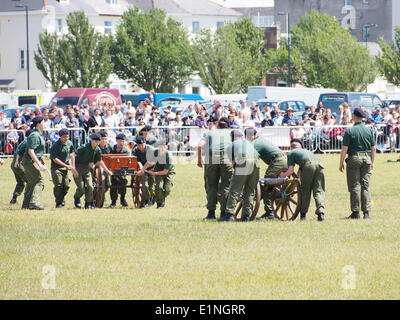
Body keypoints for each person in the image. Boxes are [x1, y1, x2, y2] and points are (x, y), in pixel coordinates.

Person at [339, 108, 376, 219]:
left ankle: (355, 212)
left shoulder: (350, 131)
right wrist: (372, 162)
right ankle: (366, 212)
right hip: (367, 159)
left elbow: (344, 149)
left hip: (354, 158)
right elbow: (373, 148)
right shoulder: (369, 130)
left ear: (354, 117)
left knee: (355, 185)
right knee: (365, 186)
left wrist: (341, 163)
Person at [245, 128, 288, 220]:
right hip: (284, 159)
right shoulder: (260, 140)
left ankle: (270, 212)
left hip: (277, 161)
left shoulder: (254, 143)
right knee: (274, 183)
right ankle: (276, 200)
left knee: (266, 184)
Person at [197, 117, 233, 220]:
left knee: (211, 185)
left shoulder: (209, 133)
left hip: (212, 158)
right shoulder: (231, 133)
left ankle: (211, 213)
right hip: (227, 158)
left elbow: (199, 146)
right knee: (226, 186)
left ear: (217, 125)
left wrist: (199, 160)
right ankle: (224, 214)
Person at [280, 139, 326, 221]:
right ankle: (321, 214)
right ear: (300, 147)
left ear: (291, 147)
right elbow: (299, 172)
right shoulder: (306, 151)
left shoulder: (291, 153)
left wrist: (283, 175)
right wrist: (295, 184)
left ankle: (303, 215)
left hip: (308, 165)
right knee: (318, 190)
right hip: (319, 165)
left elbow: (290, 171)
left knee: (305, 190)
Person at [222, 130, 260, 222]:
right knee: (250, 190)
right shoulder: (248, 143)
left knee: (235, 189)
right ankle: (246, 216)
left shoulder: (230, 146)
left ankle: (229, 215)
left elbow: (233, 163)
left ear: (232, 138)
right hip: (256, 162)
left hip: (243, 161)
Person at [71, 133, 112, 209]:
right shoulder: (84, 147)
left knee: (90, 186)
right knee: (81, 188)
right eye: (95, 142)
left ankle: (88, 203)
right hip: (78, 167)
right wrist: (73, 168)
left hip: (86, 168)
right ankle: (76, 198)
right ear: (91, 140)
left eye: (98, 142)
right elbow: (72, 155)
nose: (97, 143)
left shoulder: (98, 149)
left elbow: (100, 161)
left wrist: (107, 171)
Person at [21, 117, 47, 210]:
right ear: (38, 124)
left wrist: (41, 161)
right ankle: (34, 203)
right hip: (28, 161)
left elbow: (37, 151)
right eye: (43, 122)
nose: (44, 124)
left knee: (32, 182)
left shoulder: (38, 134)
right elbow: (31, 151)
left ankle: (26, 204)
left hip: (29, 161)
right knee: (40, 181)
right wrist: (39, 165)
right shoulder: (35, 135)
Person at [144, 139, 175, 209]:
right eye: (160, 147)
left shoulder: (169, 156)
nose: (162, 148)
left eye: (163, 146)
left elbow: (165, 171)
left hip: (169, 172)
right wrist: (143, 169)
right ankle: (160, 203)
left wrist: (154, 173)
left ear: (166, 147)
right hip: (158, 169)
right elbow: (150, 162)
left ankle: (157, 196)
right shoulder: (155, 152)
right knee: (159, 187)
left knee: (167, 189)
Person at [49, 128, 75, 208]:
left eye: (67, 136)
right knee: (59, 185)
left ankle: (61, 197)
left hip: (65, 168)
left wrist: (71, 164)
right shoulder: (55, 146)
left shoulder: (69, 143)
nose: (66, 138)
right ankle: (58, 202)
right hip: (56, 168)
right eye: (64, 137)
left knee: (66, 186)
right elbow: (55, 159)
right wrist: (66, 165)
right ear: (60, 137)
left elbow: (71, 154)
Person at [10, 129, 32, 204]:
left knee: (20, 183)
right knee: (30, 181)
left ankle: (14, 199)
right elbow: (18, 153)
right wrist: (17, 162)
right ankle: (28, 199)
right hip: (19, 163)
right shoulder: (28, 142)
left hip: (14, 164)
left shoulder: (24, 141)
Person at [133, 136, 156, 207]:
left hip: (152, 168)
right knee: (145, 184)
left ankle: (152, 198)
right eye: (138, 145)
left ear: (145, 143)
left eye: (142, 145)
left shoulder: (150, 149)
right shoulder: (135, 150)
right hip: (141, 169)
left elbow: (152, 162)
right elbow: (133, 160)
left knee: (151, 186)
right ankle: (146, 199)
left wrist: (143, 169)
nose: (140, 147)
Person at [109, 133, 131, 208]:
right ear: (116, 141)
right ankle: (113, 201)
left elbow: (129, 161)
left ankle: (122, 199)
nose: (121, 143)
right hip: (113, 170)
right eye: (119, 141)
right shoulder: (112, 148)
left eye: (123, 141)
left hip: (122, 170)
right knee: (113, 184)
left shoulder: (126, 151)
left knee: (123, 183)